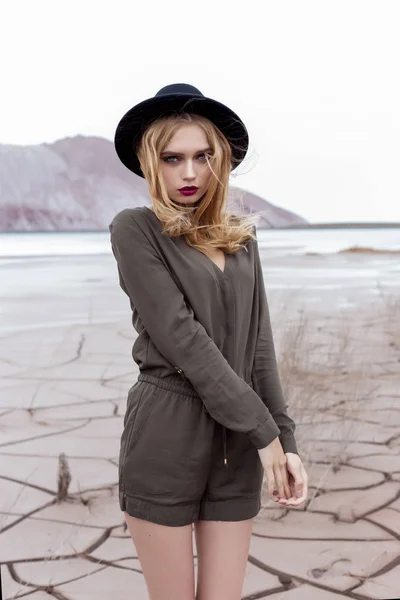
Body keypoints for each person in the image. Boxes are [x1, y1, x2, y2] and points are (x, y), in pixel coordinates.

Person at [109, 83, 308, 600]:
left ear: (221, 160)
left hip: (239, 442)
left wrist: (283, 440)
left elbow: (259, 345)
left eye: (203, 156)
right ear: (152, 163)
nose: (190, 172)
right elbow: (185, 341)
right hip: (168, 432)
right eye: (173, 158)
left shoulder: (241, 239)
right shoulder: (136, 230)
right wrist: (264, 433)